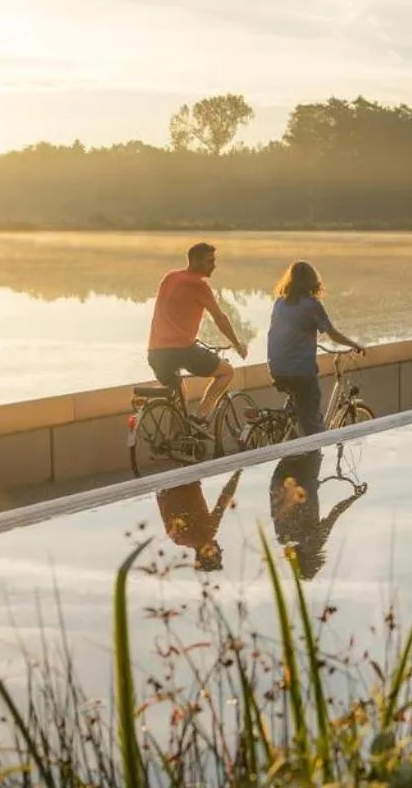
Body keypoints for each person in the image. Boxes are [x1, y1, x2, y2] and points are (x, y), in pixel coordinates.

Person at [148, 242, 247, 428]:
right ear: (195, 261)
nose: (214, 266)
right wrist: (236, 343)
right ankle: (200, 418)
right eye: (209, 261)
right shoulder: (199, 286)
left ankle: (179, 435)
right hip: (182, 351)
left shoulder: (169, 277)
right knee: (227, 372)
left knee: (179, 394)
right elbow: (220, 319)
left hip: (155, 353)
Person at [267, 260, 364, 437]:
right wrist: (355, 344)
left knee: (299, 410)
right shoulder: (311, 305)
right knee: (314, 425)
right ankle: (316, 457)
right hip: (300, 371)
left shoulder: (279, 303)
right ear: (312, 281)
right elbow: (333, 334)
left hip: (276, 368)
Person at [269, 449, 368, 579]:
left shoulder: (314, 542)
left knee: (315, 440)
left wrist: (354, 497)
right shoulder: (282, 538)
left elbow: (335, 513)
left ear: (312, 560)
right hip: (281, 475)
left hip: (303, 476)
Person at [155, 469, 242, 572]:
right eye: (217, 552)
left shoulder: (184, 537)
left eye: (211, 552)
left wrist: (237, 474)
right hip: (173, 483)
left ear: (201, 554)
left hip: (182, 480)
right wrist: (237, 475)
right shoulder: (206, 532)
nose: (214, 549)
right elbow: (223, 500)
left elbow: (223, 500)